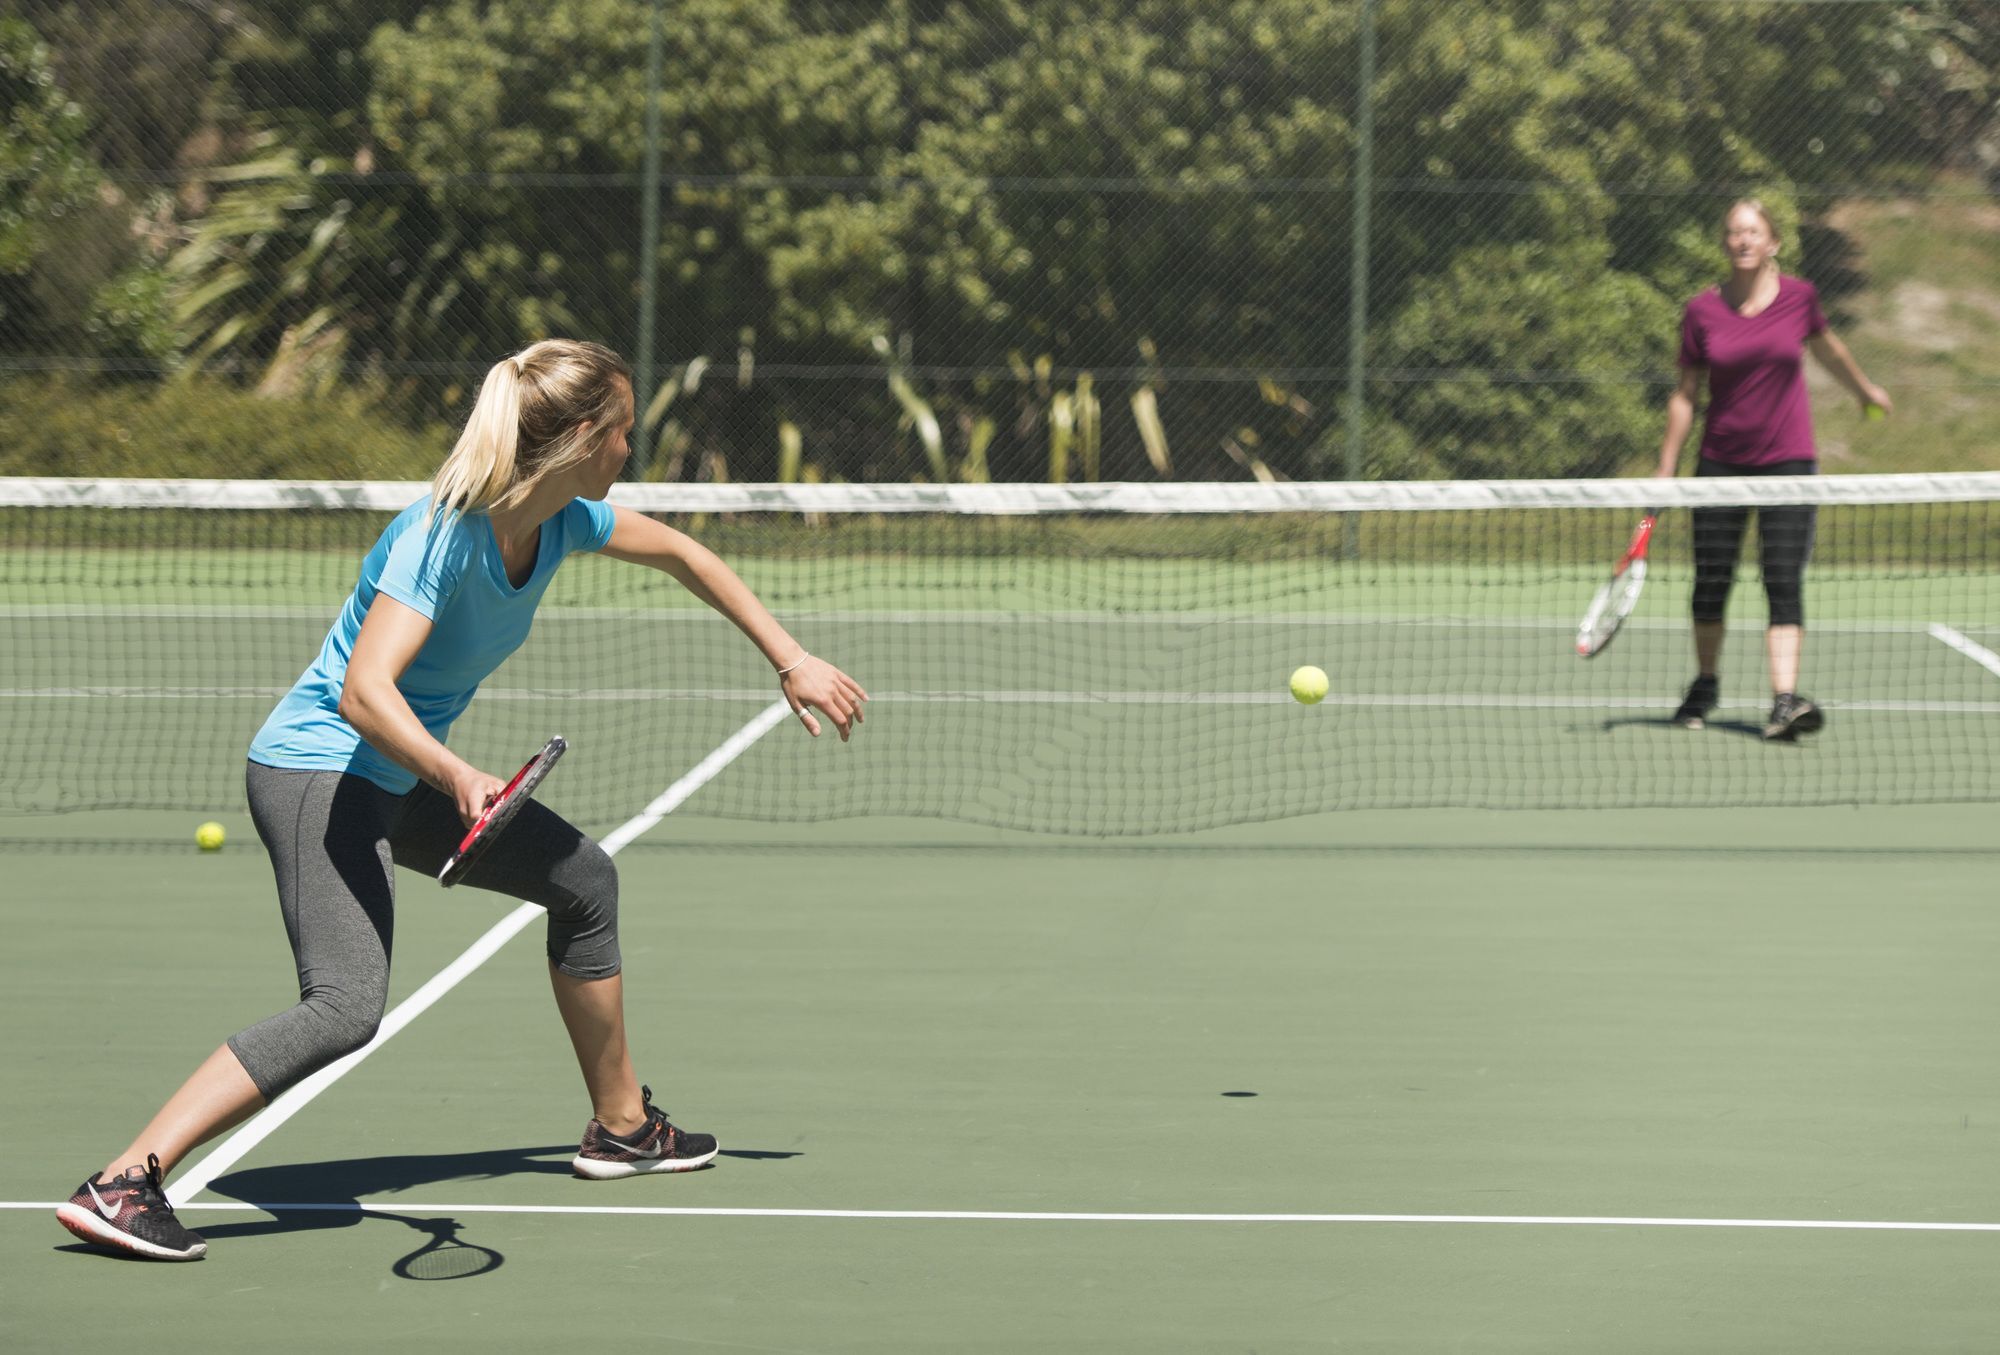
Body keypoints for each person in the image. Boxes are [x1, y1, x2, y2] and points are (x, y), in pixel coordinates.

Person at [56, 339, 868, 1261]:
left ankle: (624, 1127)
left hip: (394, 773)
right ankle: (126, 1178)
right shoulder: (440, 535)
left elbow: (684, 553)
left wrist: (790, 658)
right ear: (581, 438)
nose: (629, 453)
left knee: (584, 882)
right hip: (317, 770)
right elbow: (365, 690)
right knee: (344, 1005)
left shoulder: (565, 521)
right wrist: (459, 775)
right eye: (624, 433)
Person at [1654, 199, 1891, 741]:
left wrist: (1865, 392)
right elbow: (1685, 395)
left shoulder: (1800, 298)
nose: (1743, 241)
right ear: (1725, 242)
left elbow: (1829, 350)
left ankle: (1784, 701)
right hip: (1720, 466)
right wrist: (1666, 467)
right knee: (1711, 583)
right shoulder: (1701, 312)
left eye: (1753, 232)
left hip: (1789, 465)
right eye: (1734, 232)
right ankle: (1706, 682)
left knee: (1782, 581)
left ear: (1772, 243)